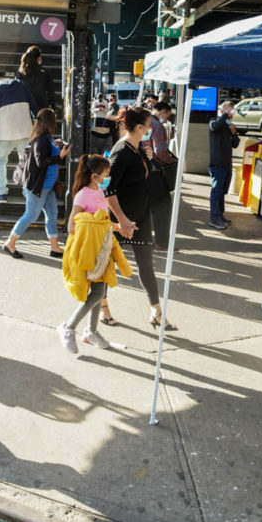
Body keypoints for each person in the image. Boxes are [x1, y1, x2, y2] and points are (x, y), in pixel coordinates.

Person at [105, 106, 178, 330]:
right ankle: (103, 308)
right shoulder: (122, 151)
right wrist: (122, 220)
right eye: (147, 126)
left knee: (146, 264)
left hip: (141, 216)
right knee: (105, 265)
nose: (150, 129)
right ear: (138, 127)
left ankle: (156, 311)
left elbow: (138, 178)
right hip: (120, 220)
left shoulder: (137, 148)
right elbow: (108, 190)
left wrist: (146, 158)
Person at [57, 154, 132, 353]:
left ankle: (90, 331)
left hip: (103, 249)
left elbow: (103, 223)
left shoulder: (100, 192)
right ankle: (69, 328)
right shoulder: (83, 195)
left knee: (100, 292)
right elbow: (72, 226)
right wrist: (94, 228)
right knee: (95, 293)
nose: (108, 178)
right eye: (105, 174)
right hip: (86, 250)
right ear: (94, 176)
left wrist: (121, 227)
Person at [3, 108, 70, 259]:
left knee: (52, 214)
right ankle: (10, 243)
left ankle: (54, 247)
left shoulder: (47, 139)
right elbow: (41, 162)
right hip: (38, 187)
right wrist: (60, 156)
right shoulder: (41, 140)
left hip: (47, 187)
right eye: (54, 119)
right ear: (49, 122)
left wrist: (57, 145)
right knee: (31, 215)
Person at [0, 68, 37, 203]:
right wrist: (36, 122)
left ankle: (1, 194)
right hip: (25, 130)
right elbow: (34, 106)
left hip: (3, 132)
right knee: (26, 161)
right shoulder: (21, 85)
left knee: (0, 161)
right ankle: (27, 192)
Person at [144, 101, 175, 251]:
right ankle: (162, 242)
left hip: (142, 170)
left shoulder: (145, 122)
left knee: (144, 206)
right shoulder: (157, 126)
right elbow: (160, 151)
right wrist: (171, 162)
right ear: (163, 111)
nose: (167, 118)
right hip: (155, 170)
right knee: (163, 206)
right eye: (168, 114)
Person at [208, 100, 239, 230]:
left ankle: (220, 215)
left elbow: (235, 144)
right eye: (229, 109)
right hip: (217, 164)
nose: (232, 112)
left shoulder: (229, 125)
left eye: (232, 110)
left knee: (222, 192)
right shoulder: (215, 121)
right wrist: (225, 114)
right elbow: (214, 127)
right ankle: (214, 218)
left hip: (227, 164)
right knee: (216, 191)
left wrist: (234, 133)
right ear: (223, 110)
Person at [17, 45, 56, 111]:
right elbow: (50, 91)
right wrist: (53, 107)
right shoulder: (44, 72)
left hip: (25, 104)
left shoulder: (21, 71)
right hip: (41, 105)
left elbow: (17, 88)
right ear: (38, 58)